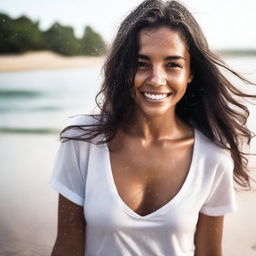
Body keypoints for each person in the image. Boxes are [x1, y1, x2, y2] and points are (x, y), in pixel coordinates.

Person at [50, 0, 255, 255]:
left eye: (172, 65)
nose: (156, 80)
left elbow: (209, 252)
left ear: (190, 72)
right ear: (125, 68)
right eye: (142, 63)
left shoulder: (213, 158)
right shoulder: (83, 142)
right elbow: (67, 247)